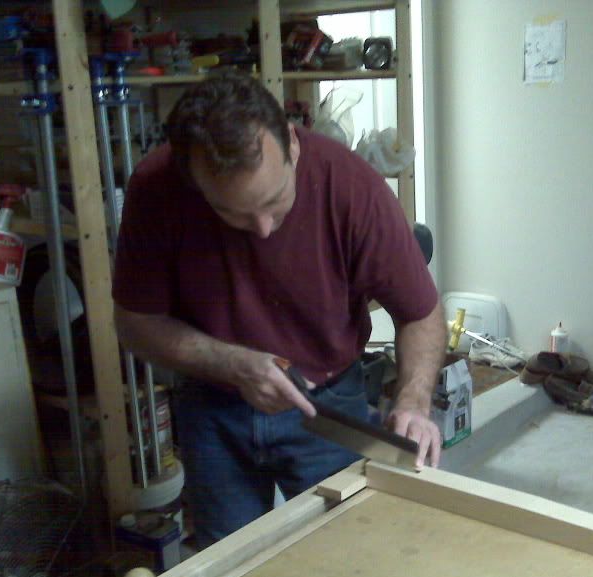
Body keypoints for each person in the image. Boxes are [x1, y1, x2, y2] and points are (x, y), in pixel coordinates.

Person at [112, 71, 446, 549]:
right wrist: (231, 363)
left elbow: (419, 313)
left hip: (327, 402)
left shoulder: (351, 187)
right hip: (213, 408)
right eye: (234, 215)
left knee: (355, 551)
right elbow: (135, 323)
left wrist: (413, 401)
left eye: (275, 202)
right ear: (193, 181)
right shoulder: (156, 189)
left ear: (291, 143)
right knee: (231, 563)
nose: (264, 230)